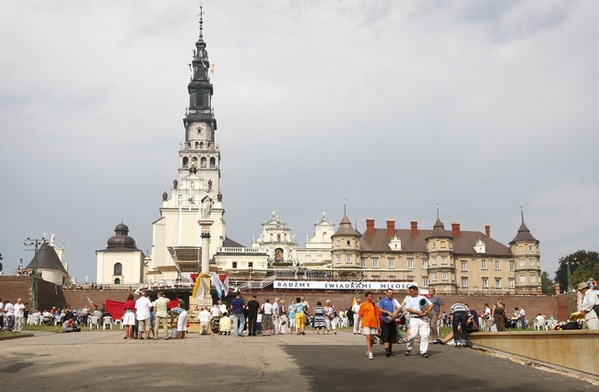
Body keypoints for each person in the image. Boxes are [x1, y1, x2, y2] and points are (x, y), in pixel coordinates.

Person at [404, 285, 433, 358]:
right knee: (412, 335)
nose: (410, 293)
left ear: (416, 291)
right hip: (414, 318)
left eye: (411, 291)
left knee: (424, 335)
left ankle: (423, 351)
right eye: (409, 291)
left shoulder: (422, 298)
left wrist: (427, 311)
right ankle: (408, 348)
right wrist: (417, 312)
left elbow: (431, 305)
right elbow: (408, 308)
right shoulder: (409, 299)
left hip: (422, 319)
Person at [378, 289, 401, 357]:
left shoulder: (394, 300)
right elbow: (380, 309)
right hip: (385, 320)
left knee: (392, 335)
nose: (391, 294)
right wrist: (387, 312)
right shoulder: (382, 301)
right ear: (386, 293)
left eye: (392, 293)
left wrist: (396, 312)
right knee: (386, 335)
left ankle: (390, 349)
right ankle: (387, 350)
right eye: (390, 293)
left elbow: (399, 307)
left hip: (392, 320)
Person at [357, 291, 379, 360]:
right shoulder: (363, 305)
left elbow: (377, 315)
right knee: (368, 337)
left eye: (371, 296)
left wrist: (378, 324)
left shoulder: (374, 304)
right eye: (369, 296)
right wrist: (357, 324)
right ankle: (370, 352)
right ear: (366, 297)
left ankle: (369, 350)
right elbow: (360, 315)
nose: (371, 297)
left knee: (372, 338)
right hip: (366, 323)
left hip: (373, 323)